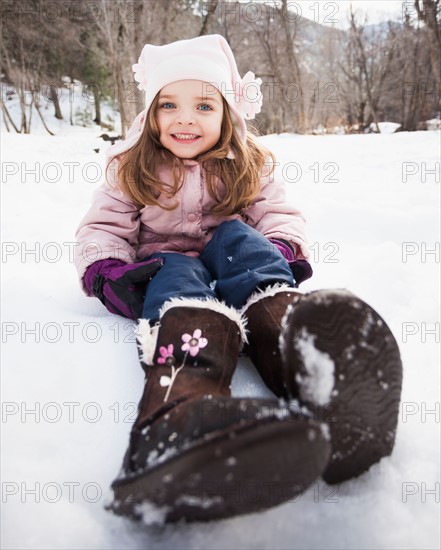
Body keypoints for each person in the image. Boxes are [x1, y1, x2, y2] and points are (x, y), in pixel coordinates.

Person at [74, 35, 402, 523]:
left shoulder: (247, 163)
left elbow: (278, 214)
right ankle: (178, 421)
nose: (185, 118)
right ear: (151, 114)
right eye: (169, 104)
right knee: (179, 267)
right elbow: (102, 229)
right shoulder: (130, 168)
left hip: (237, 268)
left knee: (242, 240)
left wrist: (284, 248)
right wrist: (106, 271)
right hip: (168, 269)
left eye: (203, 105)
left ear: (228, 112)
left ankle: (317, 375)